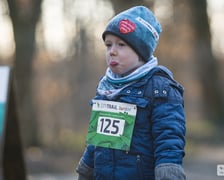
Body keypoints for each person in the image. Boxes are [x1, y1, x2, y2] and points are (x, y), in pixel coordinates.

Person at [76, 5, 186, 180]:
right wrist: (86, 168)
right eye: (108, 45)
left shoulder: (159, 88)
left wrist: (168, 172)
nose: (112, 51)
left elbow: (168, 140)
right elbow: (101, 139)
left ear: (141, 52)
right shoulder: (107, 88)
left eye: (121, 45)